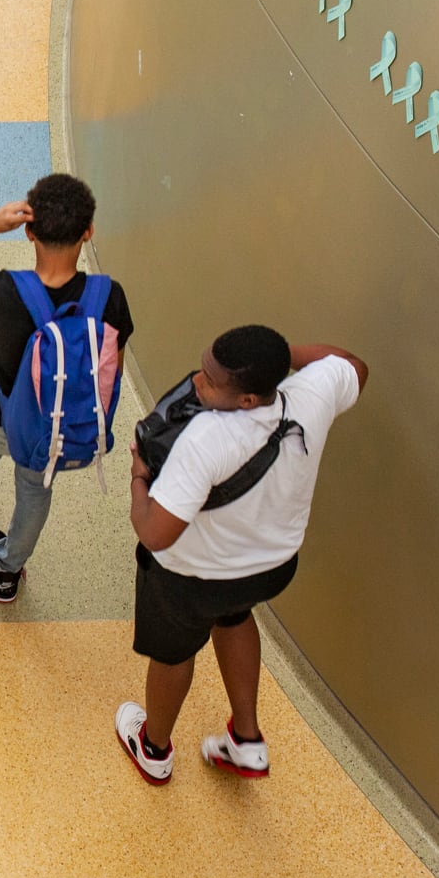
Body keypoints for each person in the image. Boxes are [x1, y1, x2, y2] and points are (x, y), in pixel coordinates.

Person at [115, 327, 367, 783]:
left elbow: (156, 533)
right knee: (233, 615)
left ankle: (153, 749)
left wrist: (138, 479)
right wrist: (278, 357)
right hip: (271, 567)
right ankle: (246, 740)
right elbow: (352, 363)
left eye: (211, 381)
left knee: (173, 654)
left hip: (191, 578)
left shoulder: (206, 438)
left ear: (248, 400)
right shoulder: (310, 394)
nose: (196, 382)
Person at [0, 173, 135, 610]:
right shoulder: (108, 297)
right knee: (35, 488)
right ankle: (6, 569)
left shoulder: (1, 292)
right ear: (88, 231)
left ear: (28, 230)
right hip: (53, 426)